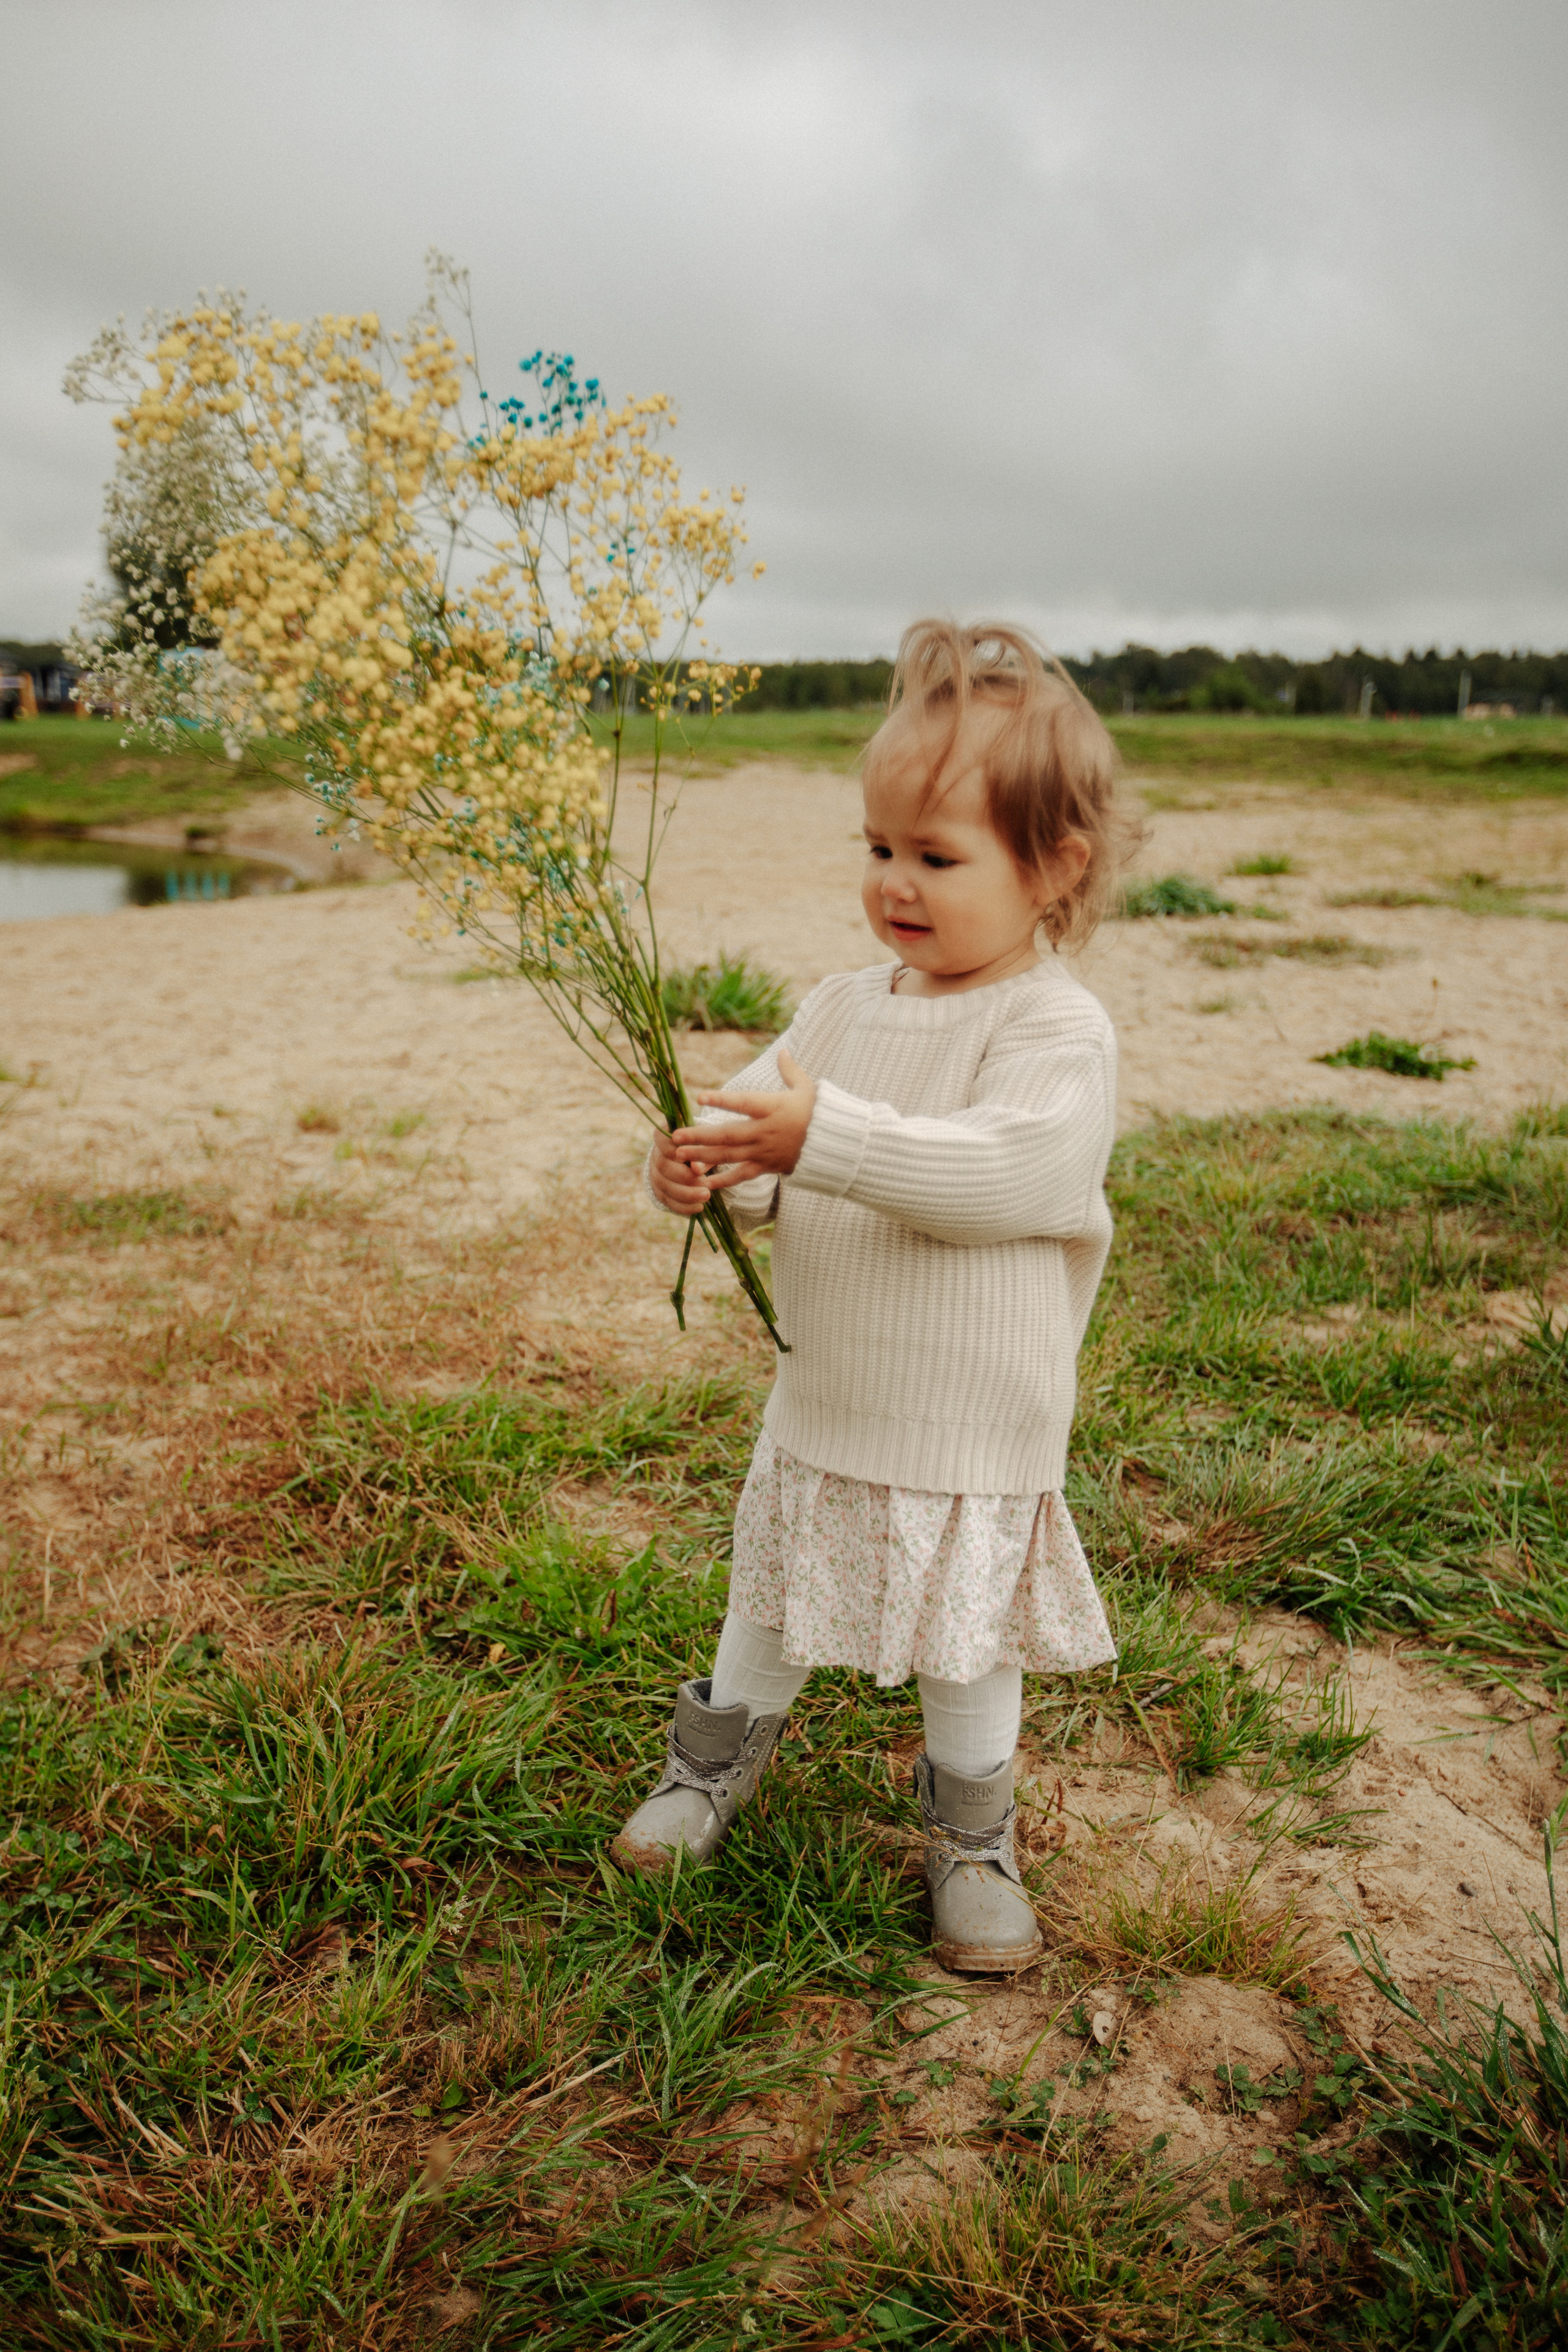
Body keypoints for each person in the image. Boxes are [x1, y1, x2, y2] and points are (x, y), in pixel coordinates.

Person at [612, 619, 1129, 1975]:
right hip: (829, 1395)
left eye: (937, 857)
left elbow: (1003, 1177)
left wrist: (812, 1139)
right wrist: (714, 1169)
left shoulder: (1053, 1032)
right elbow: (769, 1143)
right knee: (770, 1594)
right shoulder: (842, 1007)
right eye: (877, 848)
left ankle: (971, 1833)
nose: (895, 883)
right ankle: (710, 1764)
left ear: (1053, 869)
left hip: (971, 1423)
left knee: (966, 1641)